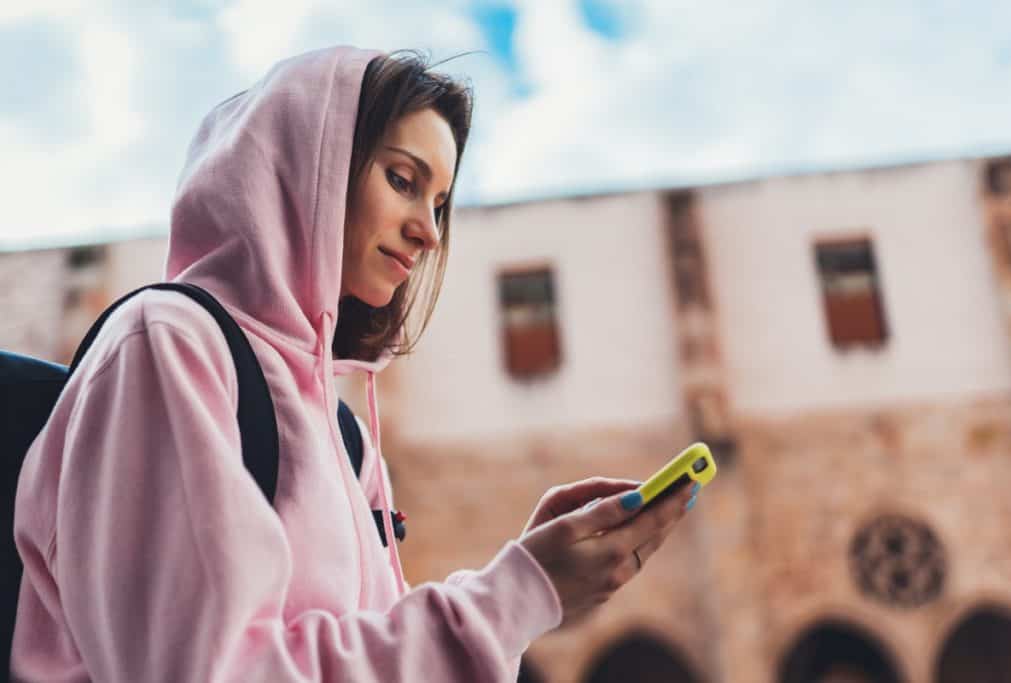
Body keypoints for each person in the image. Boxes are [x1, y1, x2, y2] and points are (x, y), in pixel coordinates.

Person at [11, 45, 700, 682]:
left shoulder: (344, 435)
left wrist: (529, 581)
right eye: (403, 179)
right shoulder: (167, 345)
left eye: (440, 203)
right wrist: (515, 593)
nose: (430, 231)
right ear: (308, 166)